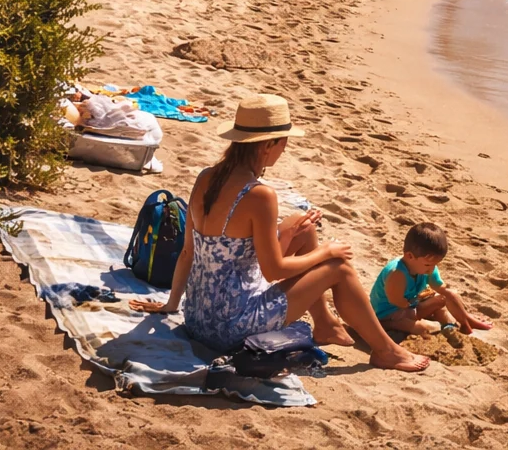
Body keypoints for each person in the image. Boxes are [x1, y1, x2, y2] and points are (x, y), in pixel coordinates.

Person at [129, 95, 429, 372]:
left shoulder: (207, 177)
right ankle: (386, 351)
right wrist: (327, 252)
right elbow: (273, 271)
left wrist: (172, 305)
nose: (284, 149)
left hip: (198, 317)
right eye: (283, 142)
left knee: (303, 225)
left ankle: (324, 323)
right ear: (267, 145)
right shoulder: (260, 194)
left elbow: (188, 252)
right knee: (339, 268)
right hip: (231, 325)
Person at [369, 223, 494, 336]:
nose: (432, 269)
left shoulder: (425, 267)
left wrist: (454, 301)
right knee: (425, 328)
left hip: (410, 306)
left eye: (435, 264)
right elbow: (398, 302)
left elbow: (442, 289)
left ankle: (462, 322)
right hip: (389, 313)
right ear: (409, 256)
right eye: (428, 265)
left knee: (445, 299)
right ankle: (386, 325)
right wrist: (419, 303)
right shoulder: (397, 274)